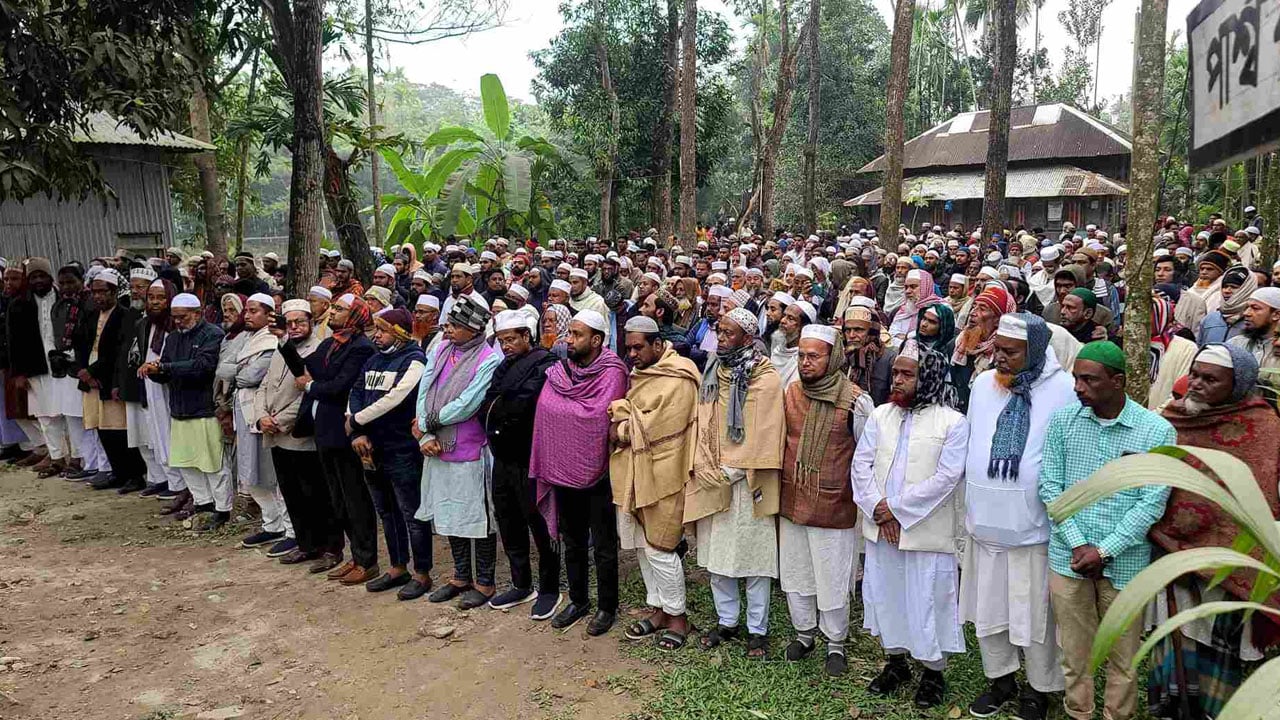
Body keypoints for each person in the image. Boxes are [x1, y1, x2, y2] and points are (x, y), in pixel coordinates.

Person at [1039, 340, 1177, 720]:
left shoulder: (1156, 432)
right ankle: (1079, 712)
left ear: (1118, 382)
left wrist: (1104, 551)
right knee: (1074, 653)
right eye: (1076, 378)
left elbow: (1151, 503)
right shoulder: (1063, 422)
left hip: (1126, 564)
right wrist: (1079, 544)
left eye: (1089, 380)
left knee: (1124, 657)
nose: (1078, 387)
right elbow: (1050, 487)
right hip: (1068, 558)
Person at [1149, 343, 1280, 718]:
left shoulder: (1264, 427)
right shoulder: (1172, 417)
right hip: (1171, 554)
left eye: (1210, 379)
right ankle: (1172, 707)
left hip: (1227, 567)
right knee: (1172, 638)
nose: (1196, 384)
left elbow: (1261, 499)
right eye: (1195, 374)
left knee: (1216, 645)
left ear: (1237, 385)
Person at [960, 314, 1074, 720]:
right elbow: (972, 439)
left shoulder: (1064, 390)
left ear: (1036, 350)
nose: (1000, 358)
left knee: (1035, 616)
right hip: (985, 523)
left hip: (1033, 529)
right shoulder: (982, 386)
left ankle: (1039, 689)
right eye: (998, 349)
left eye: (1011, 351)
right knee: (990, 611)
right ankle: (1000, 680)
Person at [852, 341, 969, 708]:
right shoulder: (880, 415)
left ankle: (933, 673)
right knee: (887, 596)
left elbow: (947, 478)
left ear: (928, 377)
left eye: (907, 374)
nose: (897, 380)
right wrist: (878, 508)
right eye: (896, 373)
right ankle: (896, 663)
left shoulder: (952, 422)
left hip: (924, 532)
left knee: (927, 600)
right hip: (882, 528)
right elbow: (861, 466)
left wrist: (896, 510)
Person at [686, 307, 786, 658]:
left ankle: (757, 630)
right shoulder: (713, 369)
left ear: (748, 337)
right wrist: (706, 463)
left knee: (755, 560)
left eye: (729, 333)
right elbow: (703, 420)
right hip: (712, 474)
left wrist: (731, 470)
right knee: (718, 557)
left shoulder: (765, 378)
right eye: (720, 331)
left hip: (747, 480)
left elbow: (765, 431)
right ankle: (727, 621)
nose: (722, 338)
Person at [779, 323, 872, 676]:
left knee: (832, 575)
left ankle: (835, 642)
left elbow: (867, 455)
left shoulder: (856, 401)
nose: (805, 362)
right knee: (797, 571)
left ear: (832, 358)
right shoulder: (791, 393)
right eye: (802, 356)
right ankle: (804, 634)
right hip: (793, 499)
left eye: (814, 356)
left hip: (834, 505)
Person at [529, 309, 629, 635]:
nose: (568, 340)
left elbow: (596, 416)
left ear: (596, 340)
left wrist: (567, 413)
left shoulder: (612, 372)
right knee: (571, 541)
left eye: (576, 335)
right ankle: (578, 599)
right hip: (561, 470)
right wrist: (568, 414)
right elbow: (547, 410)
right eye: (569, 333)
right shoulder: (561, 371)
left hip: (598, 473)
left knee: (603, 545)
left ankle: (607, 607)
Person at [611, 315, 701, 650]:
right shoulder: (642, 374)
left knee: (661, 548)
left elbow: (655, 428)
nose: (632, 354)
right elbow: (635, 414)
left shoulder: (679, 377)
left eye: (638, 347)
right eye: (629, 348)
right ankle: (659, 609)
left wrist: (620, 424)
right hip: (637, 470)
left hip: (668, 473)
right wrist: (625, 415)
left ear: (658, 344)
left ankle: (678, 617)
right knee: (642, 546)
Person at [414, 296, 502, 608]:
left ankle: (485, 582)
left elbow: (468, 403)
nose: (447, 329)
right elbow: (424, 390)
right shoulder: (441, 350)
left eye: (455, 325)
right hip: (436, 445)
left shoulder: (489, 358)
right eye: (448, 323)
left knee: (478, 517)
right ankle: (460, 576)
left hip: (469, 450)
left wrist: (428, 423)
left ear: (473, 329)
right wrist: (425, 432)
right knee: (450, 513)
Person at [481, 310, 561, 619]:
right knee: (508, 519)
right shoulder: (503, 366)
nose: (506, 346)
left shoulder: (545, 362)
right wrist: (500, 407)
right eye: (502, 341)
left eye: (511, 339)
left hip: (530, 456)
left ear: (526, 336)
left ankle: (550, 588)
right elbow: (487, 405)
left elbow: (523, 403)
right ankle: (521, 583)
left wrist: (500, 407)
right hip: (502, 455)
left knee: (539, 523)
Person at [349, 307, 432, 599]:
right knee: (386, 511)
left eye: (383, 330)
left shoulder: (414, 360)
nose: (377, 336)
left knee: (411, 512)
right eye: (376, 330)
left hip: (401, 449)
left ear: (399, 333)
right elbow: (356, 392)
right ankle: (398, 566)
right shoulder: (374, 359)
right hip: (371, 448)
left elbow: (395, 398)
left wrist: (356, 421)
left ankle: (422, 572)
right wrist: (357, 432)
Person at [255, 299, 343, 569]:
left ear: (311, 323)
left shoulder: (319, 349)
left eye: (300, 322)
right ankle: (306, 545)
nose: (294, 327)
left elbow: (306, 394)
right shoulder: (280, 347)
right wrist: (260, 416)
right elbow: (265, 386)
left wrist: (279, 421)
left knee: (317, 495)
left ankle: (330, 548)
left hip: (300, 434)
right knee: (292, 494)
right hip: (275, 434)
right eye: (289, 322)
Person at [299, 294, 380, 584]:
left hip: (345, 432)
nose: (332, 312)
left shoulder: (361, 348)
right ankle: (354, 556)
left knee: (355, 498)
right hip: (324, 430)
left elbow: (338, 387)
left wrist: (311, 386)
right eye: (333, 307)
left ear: (355, 316)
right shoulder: (330, 343)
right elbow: (311, 368)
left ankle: (367, 560)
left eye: (340, 309)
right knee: (339, 499)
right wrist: (285, 340)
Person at [140, 294, 230, 530]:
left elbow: (203, 367)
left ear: (197, 313)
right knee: (187, 463)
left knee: (212, 464)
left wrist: (164, 367)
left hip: (205, 409)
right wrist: (154, 371)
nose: (178, 322)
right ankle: (202, 504)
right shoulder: (173, 338)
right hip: (180, 410)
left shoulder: (213, 334)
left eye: (183, 317)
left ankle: (222, 509)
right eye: (175, 317)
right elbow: (167, 371)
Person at [233, 294, 296, 558]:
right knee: (251, 474)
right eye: (246, 311)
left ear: (269, 314)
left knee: (275, 476)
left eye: (253, 311)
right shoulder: (246, 339)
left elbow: (248, 376)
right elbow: (226, 369)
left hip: (269, 415)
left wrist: (233, 373)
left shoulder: (272, 342)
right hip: (248, 411)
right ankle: (272, 524)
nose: (247, 315)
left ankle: (291, 530)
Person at [75, 269, 147, 492]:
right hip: (89, 380)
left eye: (102, 292)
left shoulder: (126, 316)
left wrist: (93, 372)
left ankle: (134, 475)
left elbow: (119, 352)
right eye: (94, 292)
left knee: (119, 430)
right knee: (102, 429)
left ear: (114, 292)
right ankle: (117, 473)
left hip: (110, 379)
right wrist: (82, 371)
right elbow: (80, 345)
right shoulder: (90, 315)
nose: (97, 296)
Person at [843, 300, 895, 405]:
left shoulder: (890, 359)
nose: (851, 335)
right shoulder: (841, 357)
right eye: (848, 330)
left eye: (858, 330)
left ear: (872, 332)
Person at [1228, 286, 1280, 363]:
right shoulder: (1235, 344)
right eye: (1247, 307)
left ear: (1276, 315)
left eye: (1255, 308)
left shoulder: (1278, 347)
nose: (1246, 313)